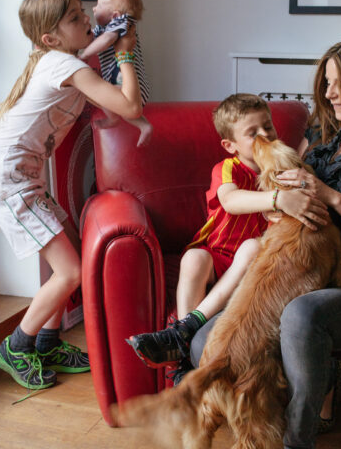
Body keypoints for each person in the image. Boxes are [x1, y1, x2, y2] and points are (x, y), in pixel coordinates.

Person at [190, 36, 341, 448]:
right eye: (327, 83)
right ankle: (320, 377)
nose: (328, 93)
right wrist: (278, 207)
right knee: (203, 343)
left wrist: (332, 197)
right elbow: (280, 195)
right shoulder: (321, 138)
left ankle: (298, 440)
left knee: (300, 315)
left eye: (338, 84)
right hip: (300, 276)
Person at [0, 0, 144, 392]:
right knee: (70, 271)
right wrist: (125, 55)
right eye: (74, 17)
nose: (86, 18)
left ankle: (48, 343)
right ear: (50, 38)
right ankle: (17, 346)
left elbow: (91, 59)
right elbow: (130, 106)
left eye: (83, 10)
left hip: (23, 179)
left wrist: (112, 34)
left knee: (67, 263)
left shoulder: (59, 60)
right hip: (10, 182)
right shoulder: (61, 65)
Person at [127, 93, 329, 385]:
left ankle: (186, 332)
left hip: (254, 267)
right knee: (194, 257)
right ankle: (183, 339)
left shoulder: (282, 171)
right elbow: (231, 200)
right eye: (252, 133)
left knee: (252, 246)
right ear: (230, 145)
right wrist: (277, 199)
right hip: (218, 257)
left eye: (268, 127)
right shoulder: (227, 169)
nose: (265, 136)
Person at [79, 0, 153, 146]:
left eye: (99, 5)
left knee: (102, 95)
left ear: (115, 15)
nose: (94, 8)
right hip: (127, 84)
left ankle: (115, 119)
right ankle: (141, 124)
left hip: (127, 84)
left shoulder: (122, 22)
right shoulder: (106, 27)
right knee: (99, 95)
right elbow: (92, 40)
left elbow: (106, 40)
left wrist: (84, 55)